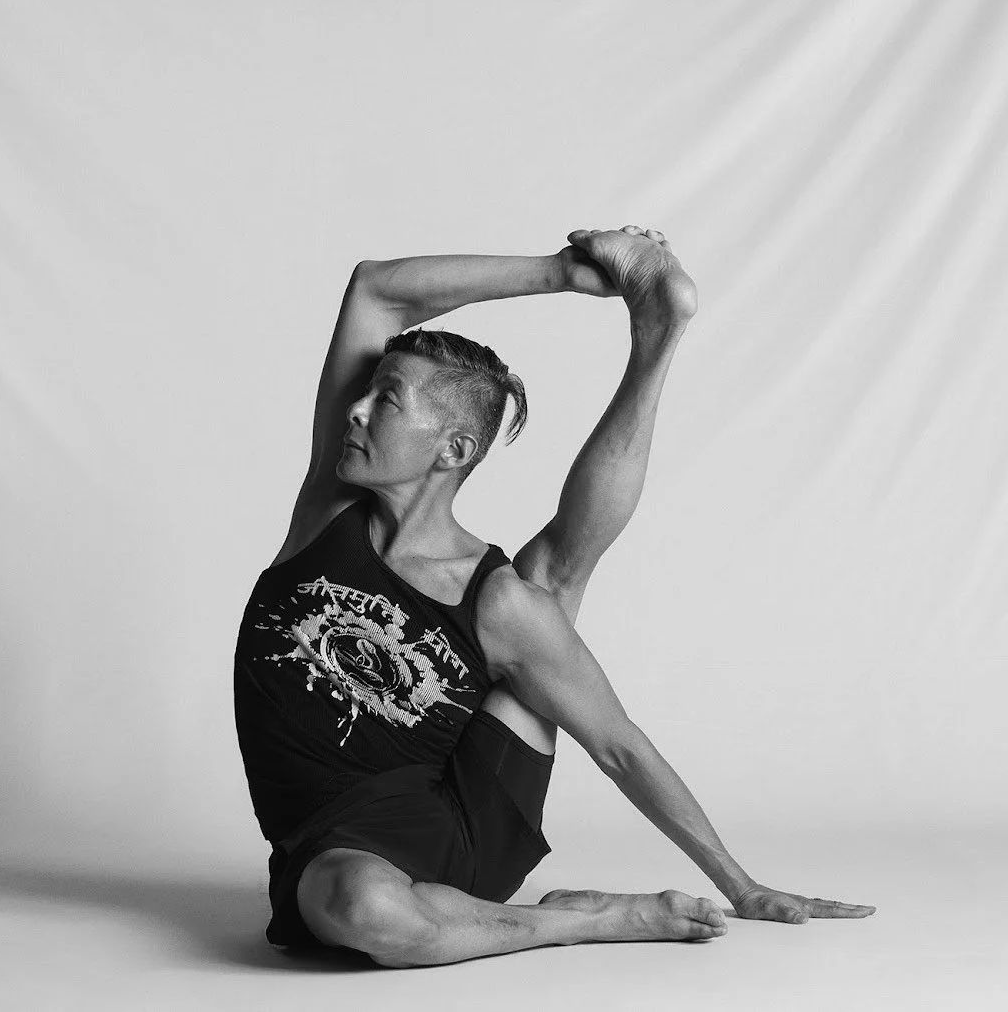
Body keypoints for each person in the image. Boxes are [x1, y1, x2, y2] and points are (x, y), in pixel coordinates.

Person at [233, 225, 874, 967]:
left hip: (462, 826)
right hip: (336, 832)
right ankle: (579, 917)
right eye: (369, 392)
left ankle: (657, 336)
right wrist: (566, 272)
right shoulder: (329, 508)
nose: (354, 409)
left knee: (540, 591)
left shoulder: (495, 599)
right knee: (355, 896)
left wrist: (739, 882)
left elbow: (616, 742)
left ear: (454, 449)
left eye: (386, 400)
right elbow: (375, 288)